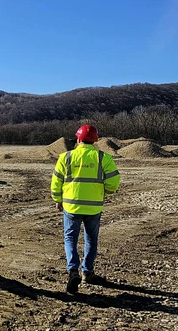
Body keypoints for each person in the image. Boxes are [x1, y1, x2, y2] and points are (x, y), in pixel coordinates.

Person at [51, 124, 121, 294]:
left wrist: (58, 199)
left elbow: (56, 182)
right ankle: (87, 272)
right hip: (94, 207)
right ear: (95, 141)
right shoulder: (103, 158)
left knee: (70, 239)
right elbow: (113, 183)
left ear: (79, 139)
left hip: (71, 206)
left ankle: (73, 270)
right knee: (91, 239)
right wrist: (103, 192)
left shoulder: (66, 157)